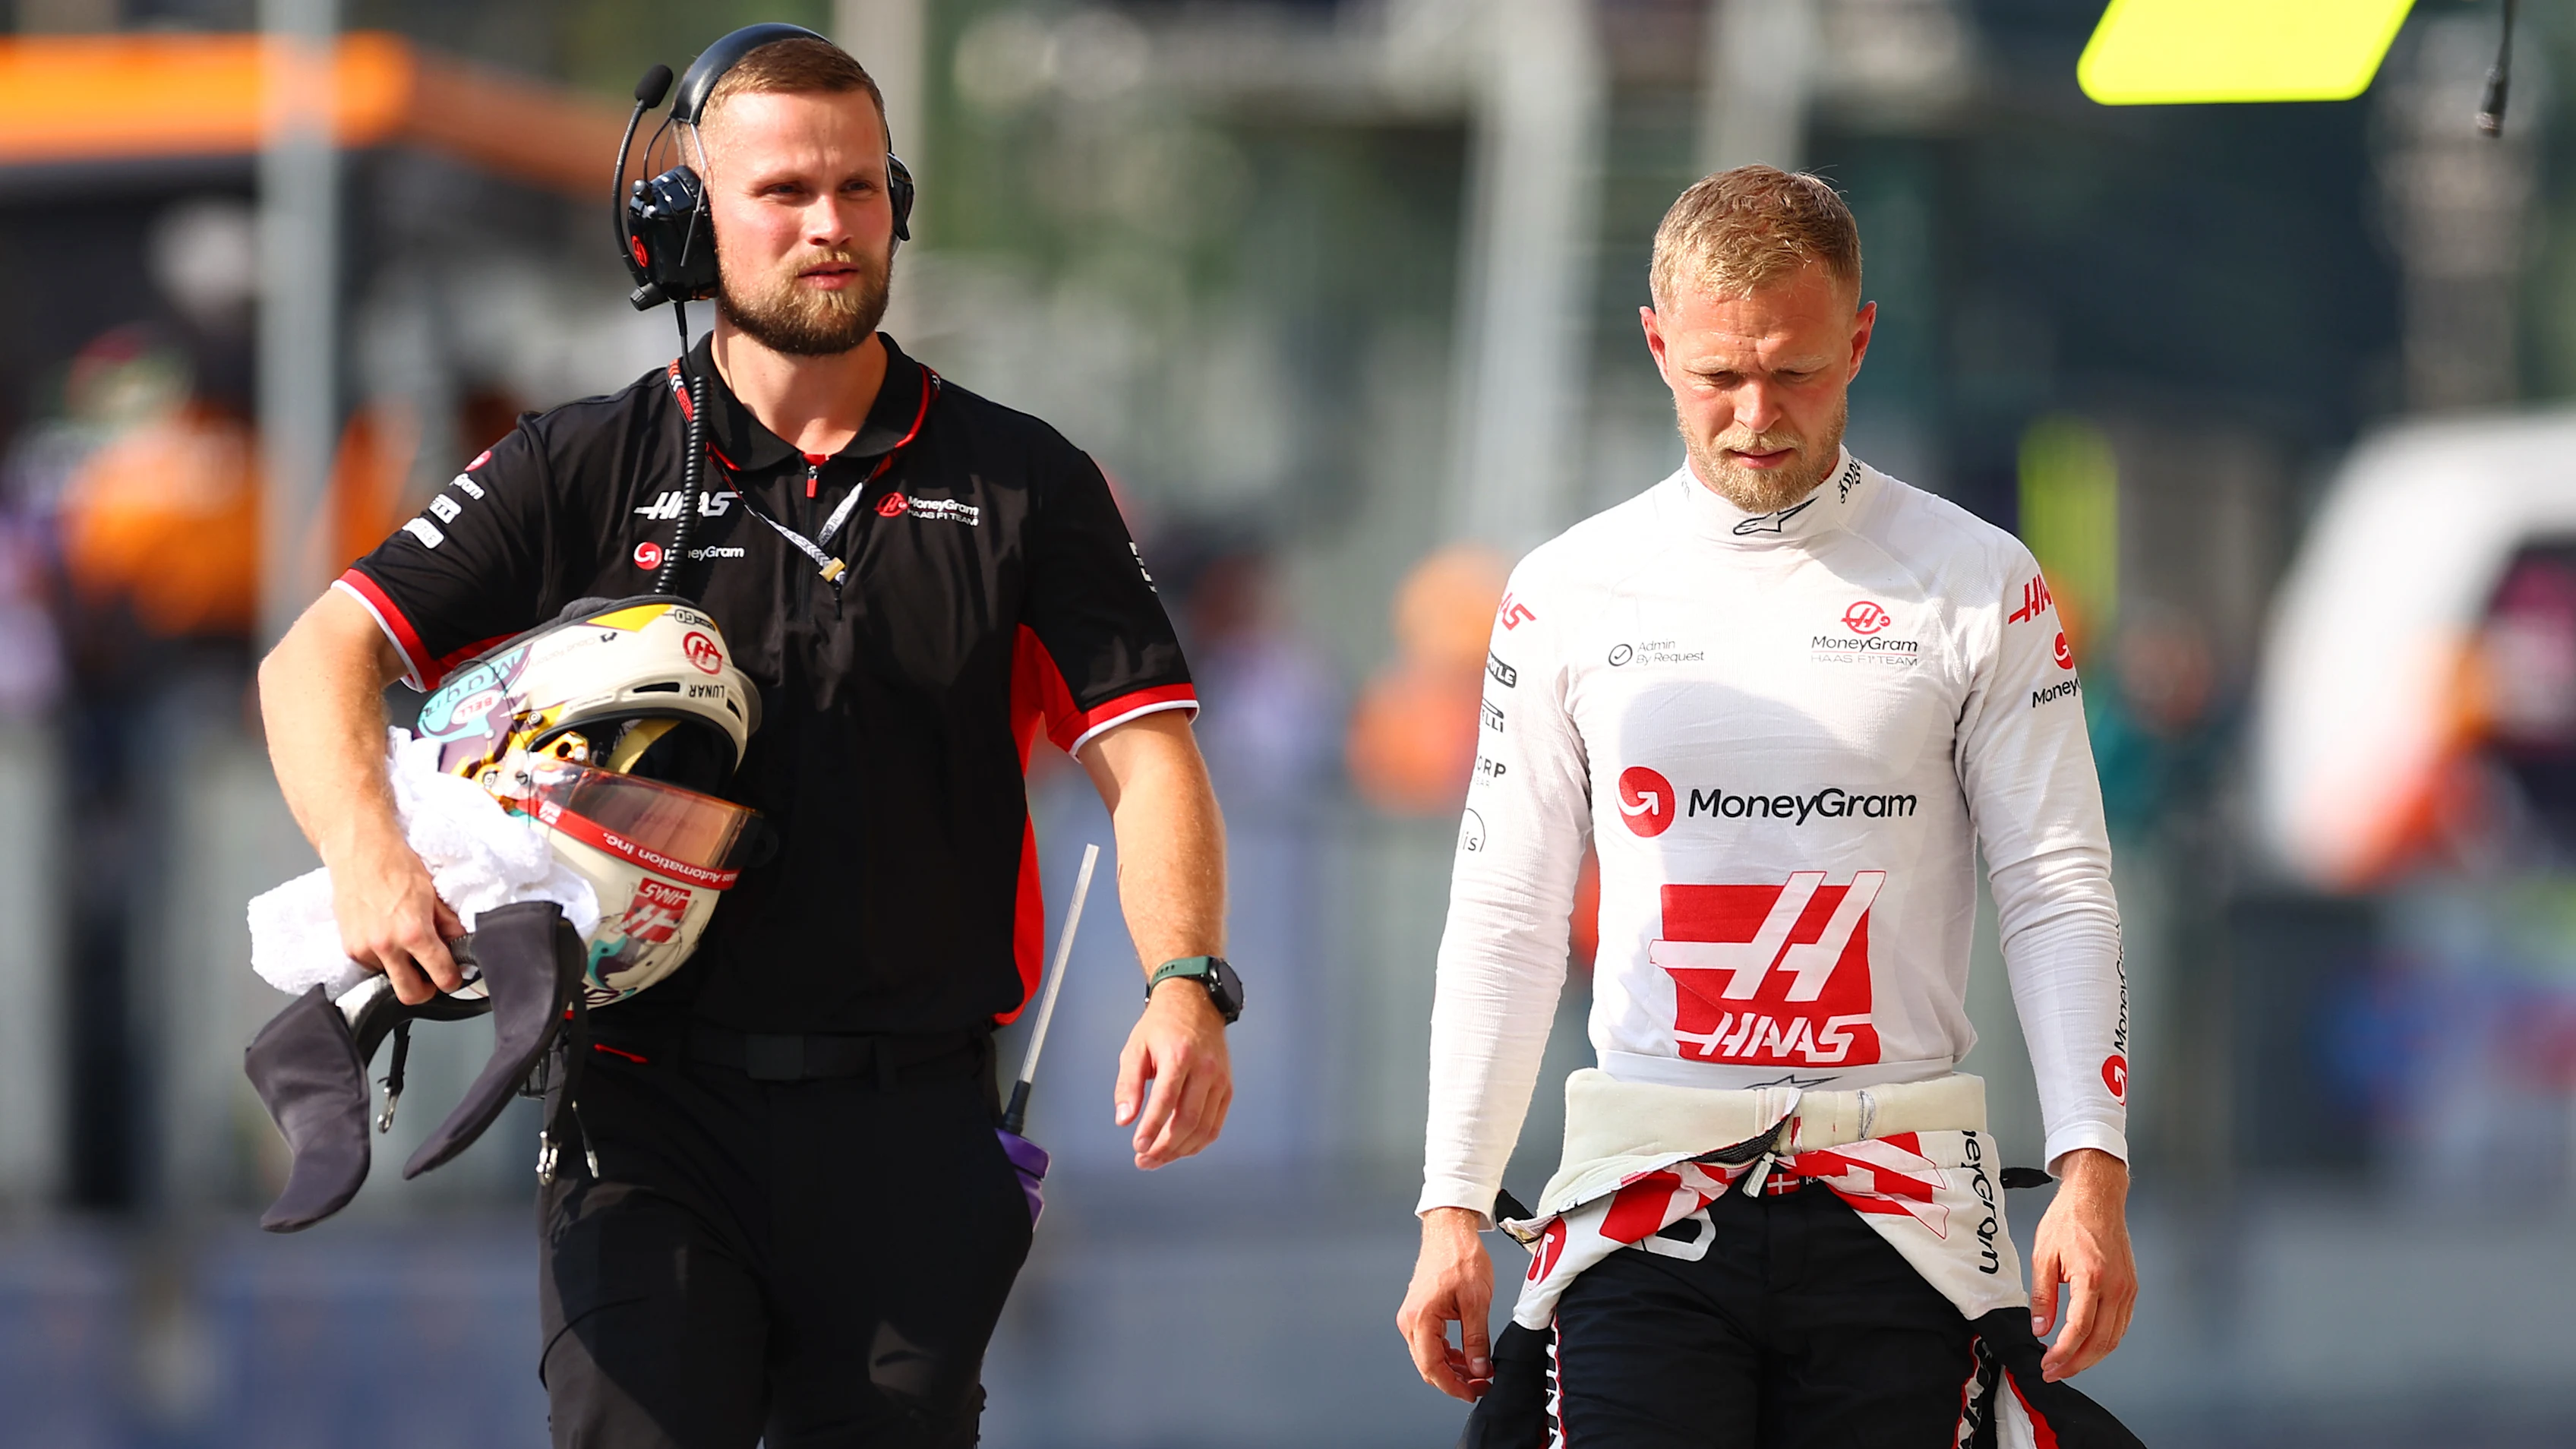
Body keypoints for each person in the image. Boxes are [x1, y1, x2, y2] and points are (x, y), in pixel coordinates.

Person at [257, 32, 1241, 1448]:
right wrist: (368, 853)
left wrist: (1186, 981)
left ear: (899, 202)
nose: (828, 225)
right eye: (781, 191)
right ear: (686, 221)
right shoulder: (581, 461)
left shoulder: (1028, 481)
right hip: (645, 1116)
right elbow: (320, 656)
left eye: (858, 188)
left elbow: (1150, 758)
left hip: (915, 1128)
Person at [1394, 166, 2140, 1446]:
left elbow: (2058, 887)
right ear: (1655, 343)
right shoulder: (1567, 588)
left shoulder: (1979, 579)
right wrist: (1452, 1202)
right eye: (1717, 378)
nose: (1756, 417)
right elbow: (1508, 909)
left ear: (1858, 339)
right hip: (1644, 1196)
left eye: (1795, 373)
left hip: (1898, 1208)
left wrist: (2092, 1171)